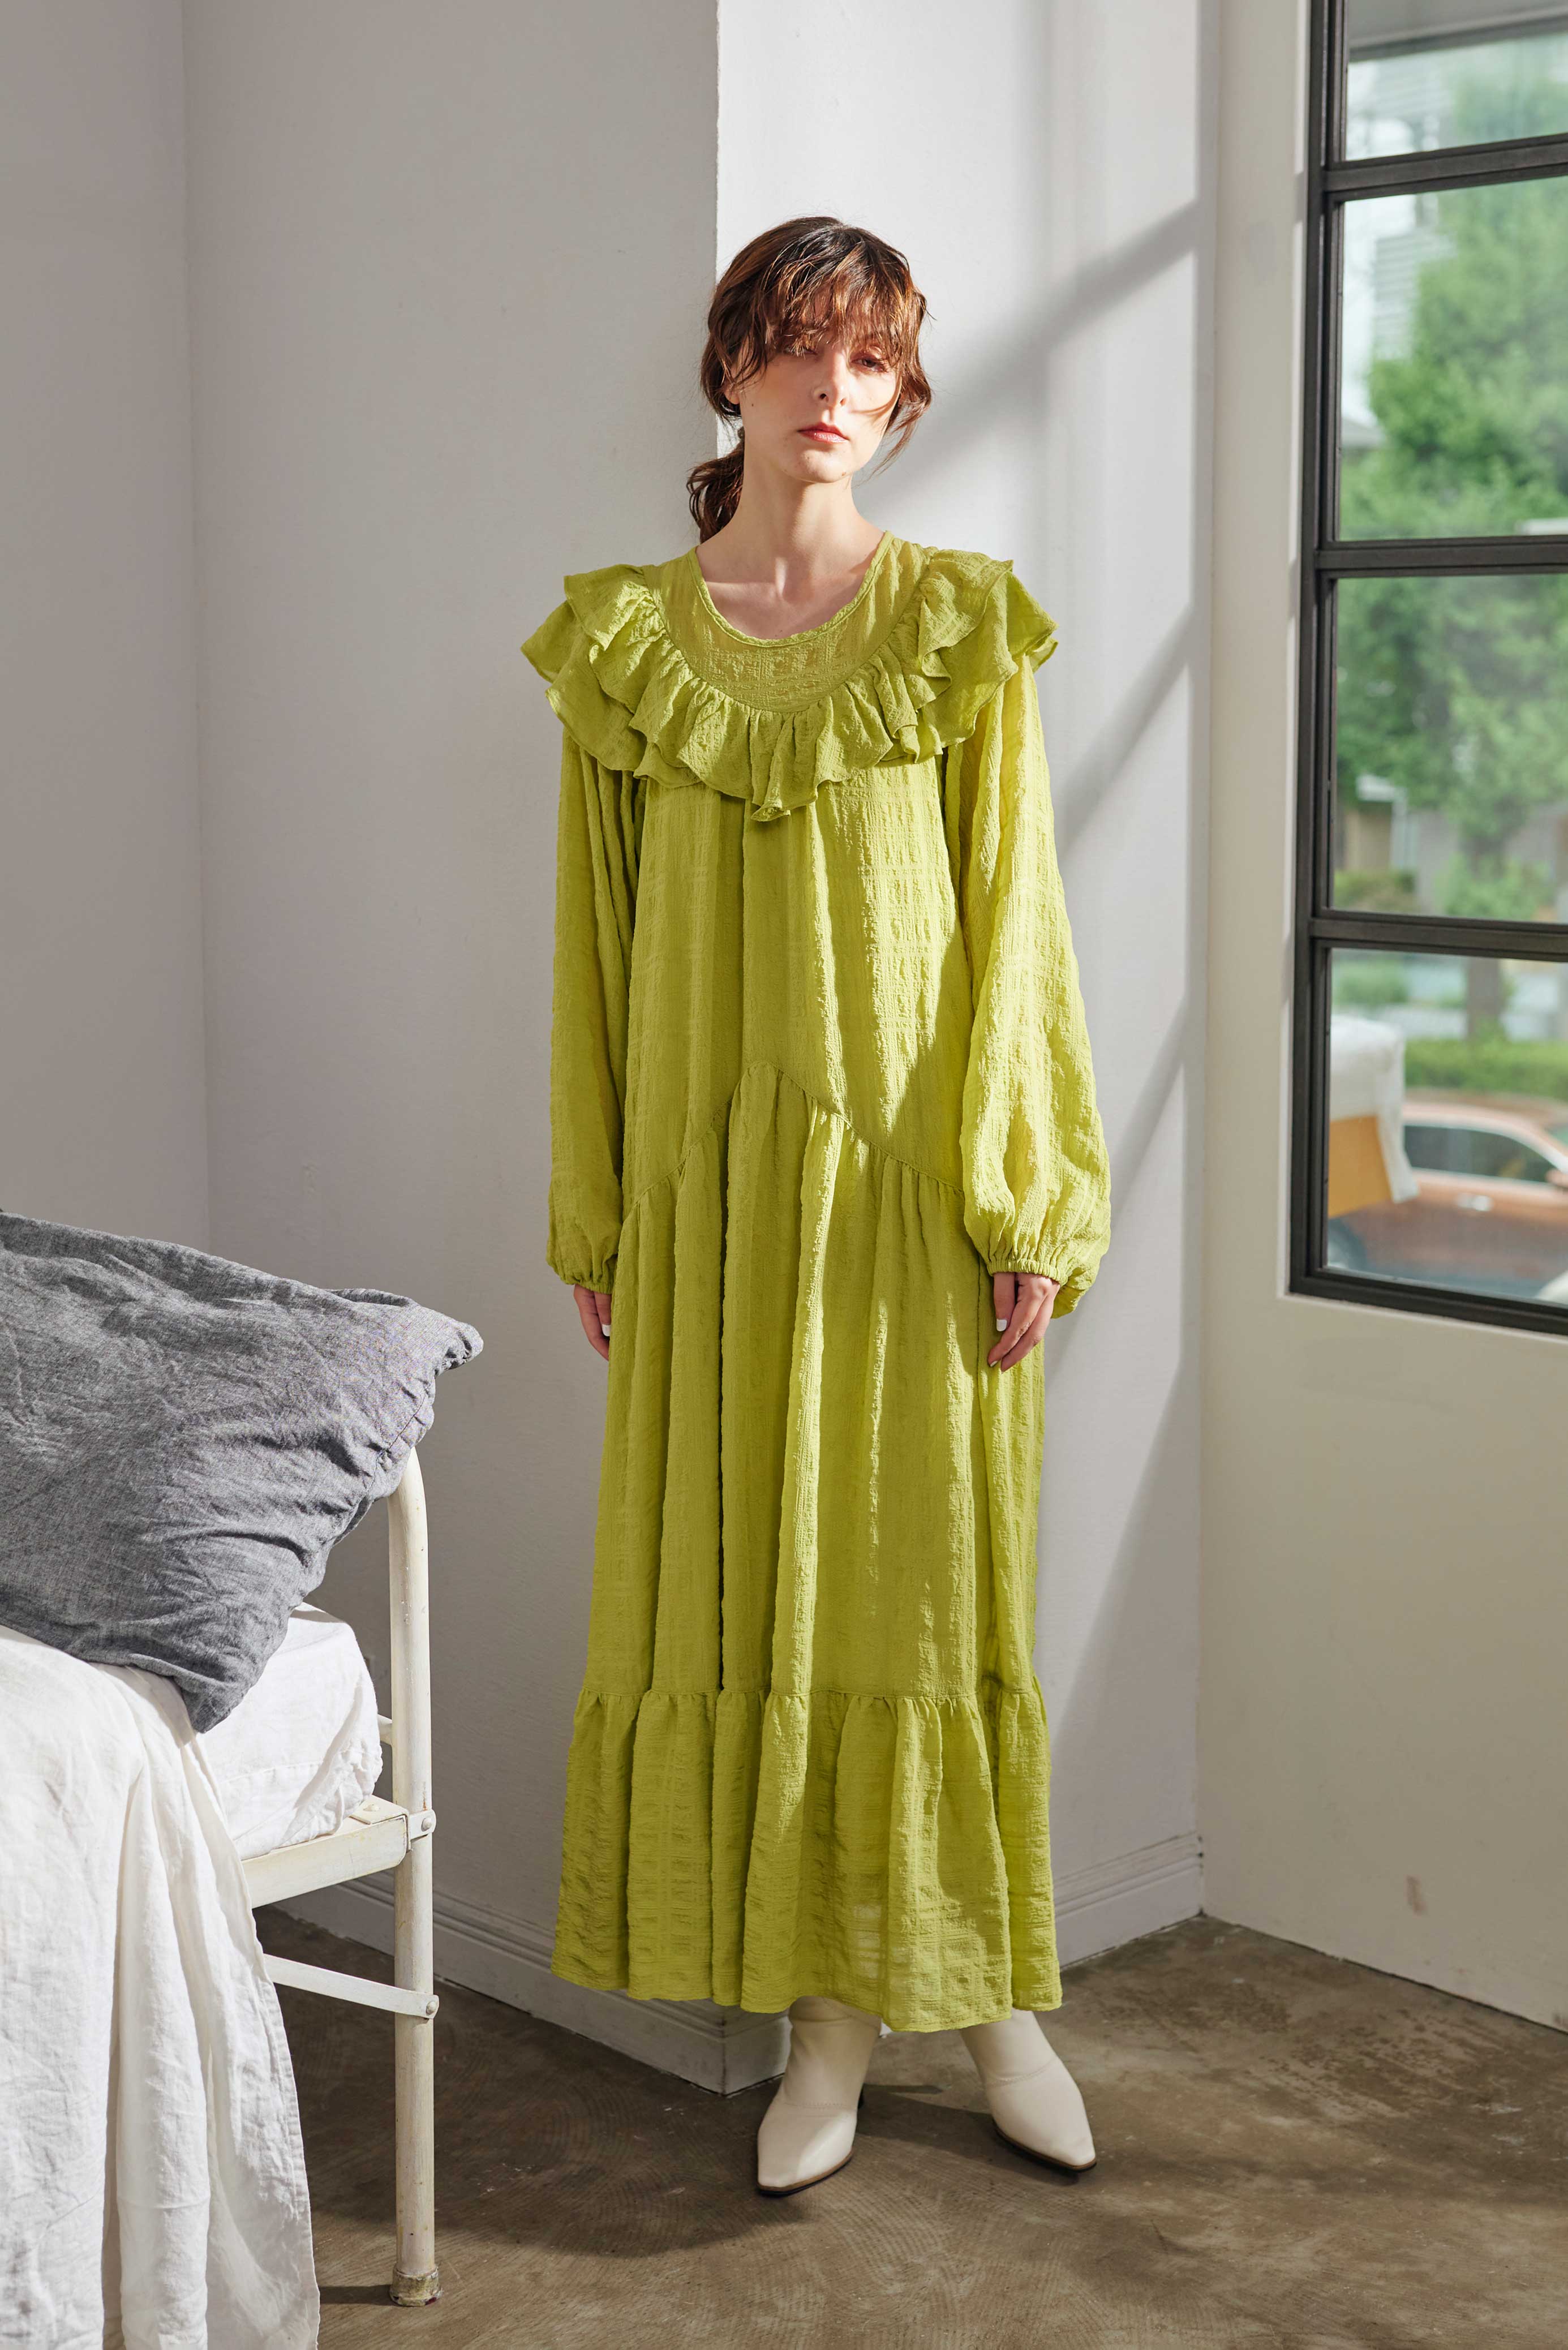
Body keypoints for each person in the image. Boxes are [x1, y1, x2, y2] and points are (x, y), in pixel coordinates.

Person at [521, 214, 1112, 2196]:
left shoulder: (960, 623)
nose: (833, 392)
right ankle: (825, 2030)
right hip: (708, 1201)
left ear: (902, 391)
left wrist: (1025, 1193)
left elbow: (1017, 923)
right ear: (732, 370)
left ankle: (990, 1997)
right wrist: (600, 1207)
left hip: (913, 1192)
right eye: (799, 349)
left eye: (871, 362)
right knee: (746, 1587)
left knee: (923, 1583)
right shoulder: (624, 642)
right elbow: (594, 948)